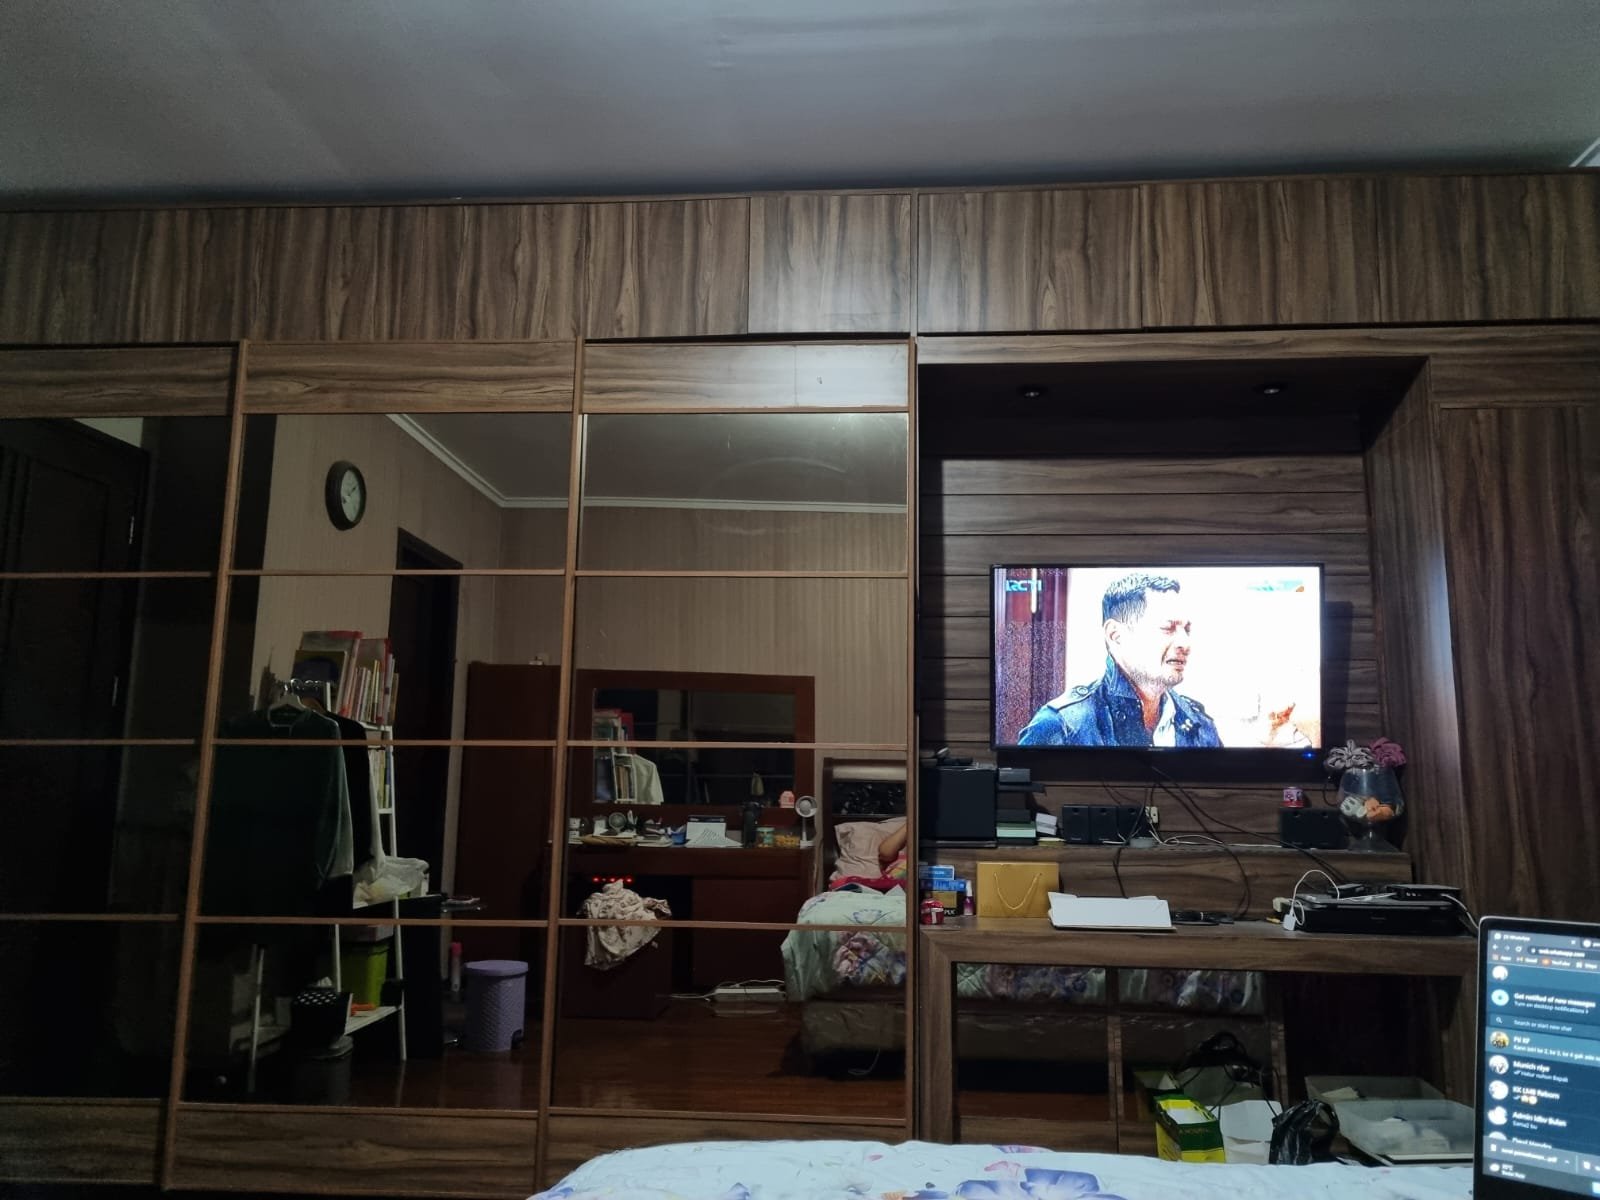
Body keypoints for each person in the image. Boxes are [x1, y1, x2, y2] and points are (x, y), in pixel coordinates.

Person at [1017, 572, 1222, 748]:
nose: (1185, 643)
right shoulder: (1062, 725)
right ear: (1115, 635)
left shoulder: (1199, 724)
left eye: (1187, 630)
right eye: (1168, 628)